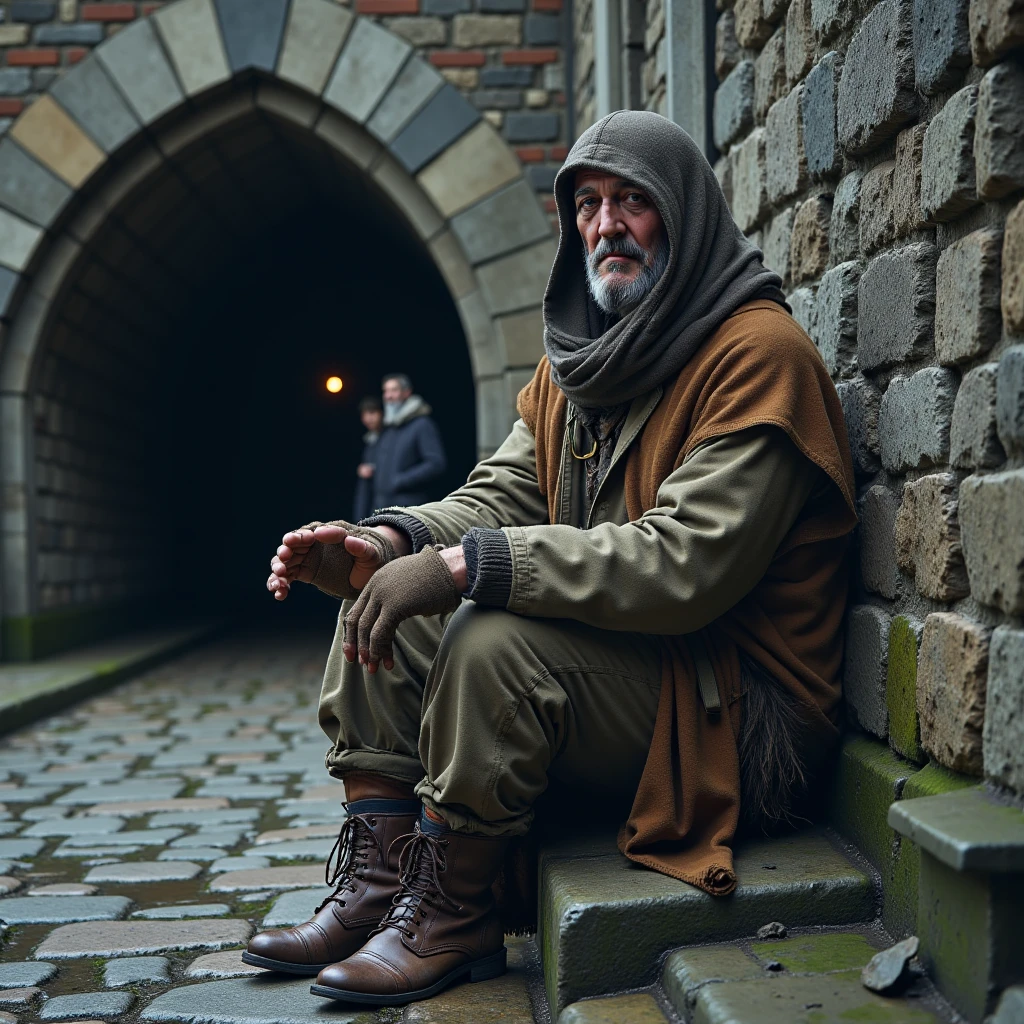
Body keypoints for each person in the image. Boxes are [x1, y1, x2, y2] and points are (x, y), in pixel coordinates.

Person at [245, 111, 857, 1008]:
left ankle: (455, 917)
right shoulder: (581, 361)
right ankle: (380, 885)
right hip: (648, 664)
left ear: (682, 215)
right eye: (589, 205)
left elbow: (685, 566)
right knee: (385, 604)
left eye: (633, 202)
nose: (606, 225)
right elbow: (497, 497)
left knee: (492, 644)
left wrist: (467, 569)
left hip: (740, 710)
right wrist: (386, 543)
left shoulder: (758, 355)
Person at [371, 373, 447, 510]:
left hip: (409, 509)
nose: (388, 396)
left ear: (407, 393)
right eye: (386, 391)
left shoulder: (422, 424)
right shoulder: (389, 428)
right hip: (382, 507)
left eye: (394, 390)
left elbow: (436, 463)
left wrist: (400, 480)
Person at [352, 396, 383, 523]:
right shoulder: (370, 440)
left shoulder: (389, 437)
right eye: (364, 414)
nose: (368, 418)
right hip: (373, 502)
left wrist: (374, 469)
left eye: (372, 413)